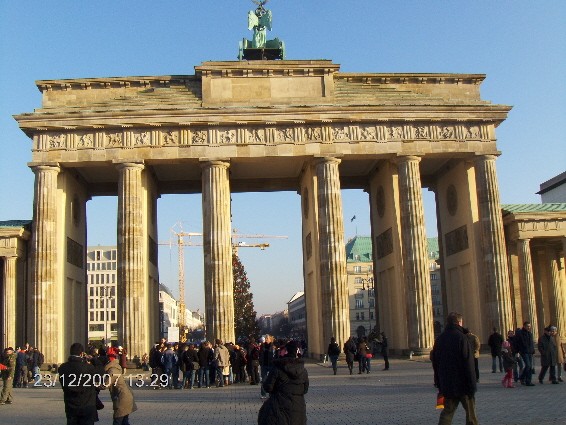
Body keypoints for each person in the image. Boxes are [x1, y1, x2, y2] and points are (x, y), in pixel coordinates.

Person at [431, 312, 478, 425]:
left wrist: (438, 382)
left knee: (447, 413)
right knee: (471, 415)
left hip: (447, 384)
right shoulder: (462, 338)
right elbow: (468, 363)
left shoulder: (440, 339)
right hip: (464, 384)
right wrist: (472, 385)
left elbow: (435, 363)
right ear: (459, 322)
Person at [258, 341, 309, 425]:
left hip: (279, 406)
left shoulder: (277, 368)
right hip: (298, 408)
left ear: (286, 351)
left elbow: (267, 387)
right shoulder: (303, 371)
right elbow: (305, 389)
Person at [58, 343, 97, 424]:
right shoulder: (89, 368)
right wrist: (93, 360)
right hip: (87, 406)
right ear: (82, 353)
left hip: (70, 405)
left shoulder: (62, 368)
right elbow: (99, 376)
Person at [104, 349, 137, 424]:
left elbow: (105, 384)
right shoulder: (116, 367)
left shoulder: (112, 370)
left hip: (122, 398)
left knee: (117, 421)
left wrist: (95, 384)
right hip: (125, 396)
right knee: (124, 421)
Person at [516, 321, 536, 386]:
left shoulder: (530, 333)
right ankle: (522, 377)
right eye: (527, 326)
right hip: (524, 352)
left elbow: (531, 343)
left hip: (530, 352)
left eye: (529, 326)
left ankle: (528, 381)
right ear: (524, 326)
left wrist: (533, 350)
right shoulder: (520, 333)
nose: (529, 327)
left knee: (530, 367)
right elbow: (519, 343)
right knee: (528, 365)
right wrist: (519, 351)